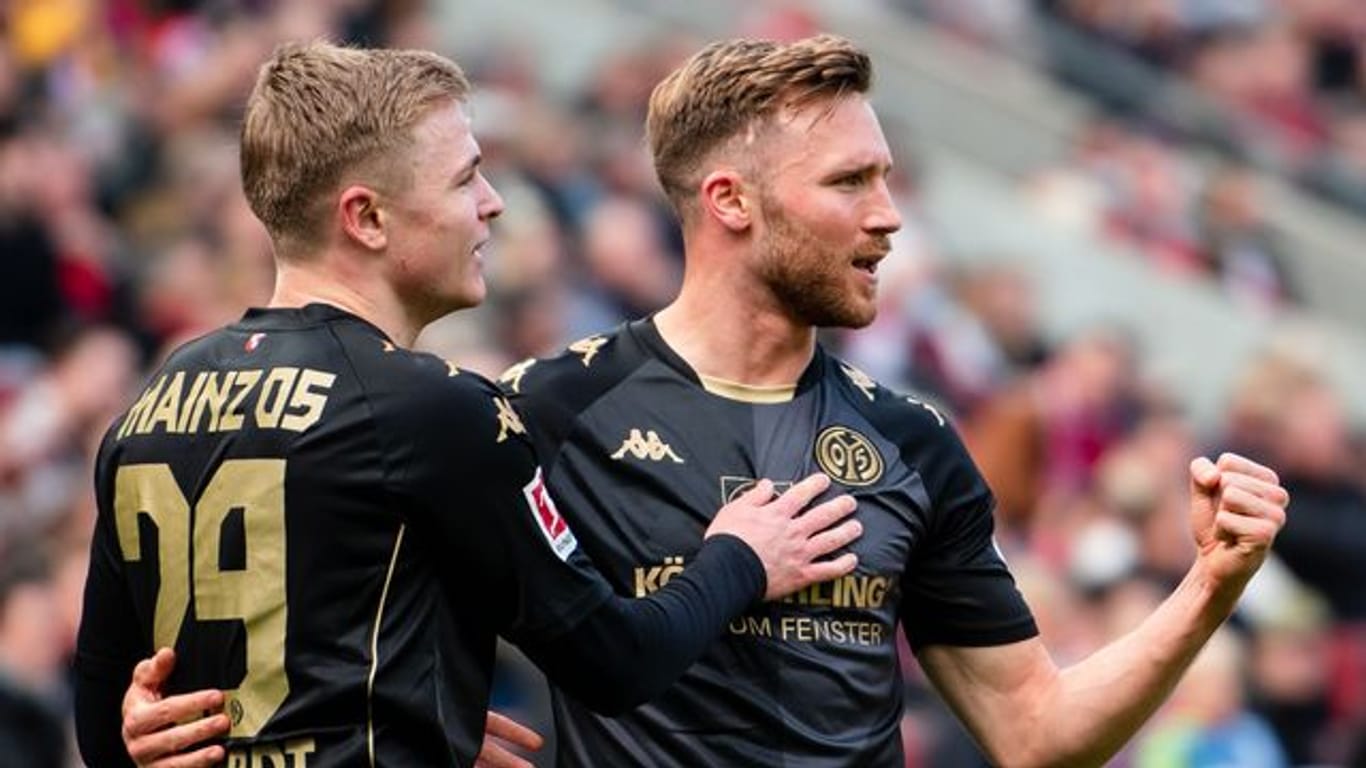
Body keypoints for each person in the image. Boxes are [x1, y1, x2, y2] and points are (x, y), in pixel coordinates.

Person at [121, 34, 1291, 768]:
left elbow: (1035, 735)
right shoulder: (537, 409)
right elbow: (350, 636)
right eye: (851, 181)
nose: (891, 214)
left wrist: (1209, 586)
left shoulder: (912, 441)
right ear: (729, 201)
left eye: (887, 178)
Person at [73, 40, 866, 768]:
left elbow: (107, 723)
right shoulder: (431, 410)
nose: (492, 203)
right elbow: (618, 663)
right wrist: (739, 558)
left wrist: (426, 710)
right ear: (367, 218)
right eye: (465, 178)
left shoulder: (150, 407)